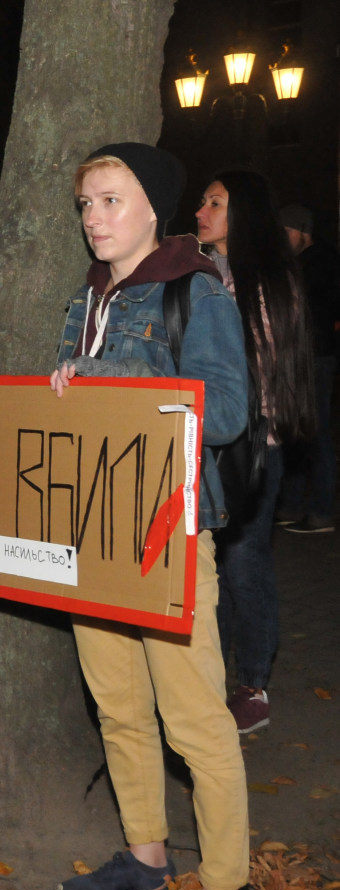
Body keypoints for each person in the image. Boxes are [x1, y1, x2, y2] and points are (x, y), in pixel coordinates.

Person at [50, 144, 253, 890]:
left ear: (151, 208)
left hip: (168, 531)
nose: (94, 217)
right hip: (93, 531)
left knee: (196, 720)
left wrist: (101, 374)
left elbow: (228, 408)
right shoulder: (86, 296)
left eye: (110, 200)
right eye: (87, 204)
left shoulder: (193, 288)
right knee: (118, 706)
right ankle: (144, 857)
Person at [195, 169, 314, 736]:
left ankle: (253, 686)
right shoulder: (205, 272)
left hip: (252, 451)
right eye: (202, 201)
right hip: (206, 448)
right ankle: (210, 676)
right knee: (206, 568)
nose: (201, 211)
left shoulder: (261, 281)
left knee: (244, 567)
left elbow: (258, 371)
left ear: (241, 212)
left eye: (215, 203)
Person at [276, 204, 339, 534]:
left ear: (303, 232)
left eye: (286, 233)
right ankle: (291, 505)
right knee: (296, 433)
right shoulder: (303, 261)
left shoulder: (320, 261)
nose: (282, 239)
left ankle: (321, 511)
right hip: (301, 358)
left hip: (315, 358)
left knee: (317, 436)